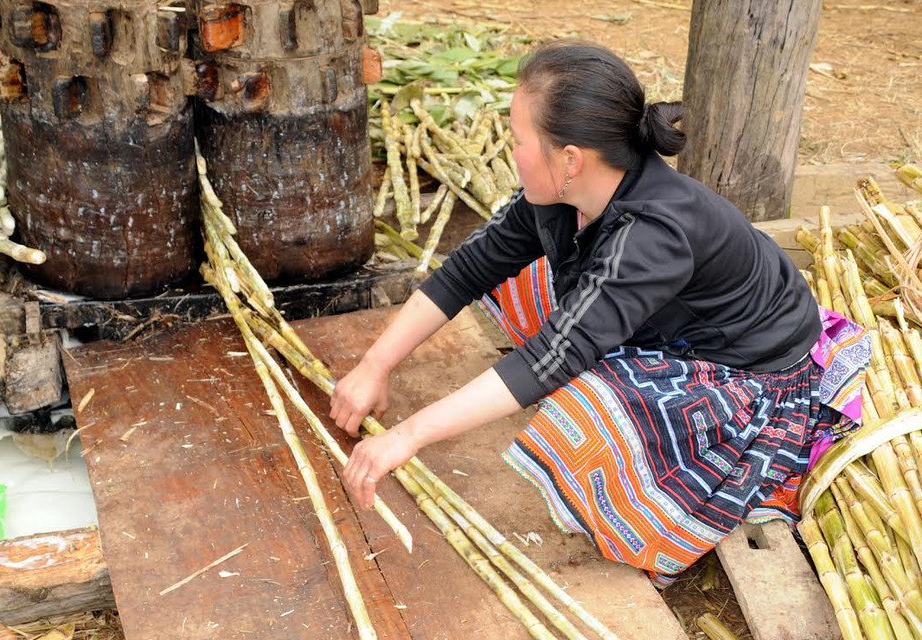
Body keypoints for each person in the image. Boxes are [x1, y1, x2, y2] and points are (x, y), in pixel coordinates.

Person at [330, 41, 871, 586]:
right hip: (664, 322)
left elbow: (552, 358)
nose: (511, 151)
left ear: (569, 159)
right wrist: (375, 365)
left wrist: (406, 436)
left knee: (583, 411)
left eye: (518, 140)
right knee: (523, 279)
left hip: (754, 374)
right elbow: (472, 267)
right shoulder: (564, 193)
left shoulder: (654, 235)